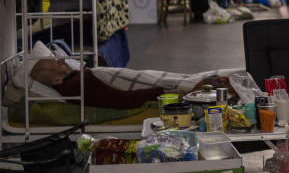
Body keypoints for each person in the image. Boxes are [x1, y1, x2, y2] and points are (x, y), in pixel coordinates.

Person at [29, 58, 236, 109]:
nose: (63, 60)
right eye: (56, 63)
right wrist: (171, 92)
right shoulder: (75, 87)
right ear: (56, 80)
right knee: (227, 78)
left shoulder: (77, 77)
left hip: (137, 78)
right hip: (153, 87)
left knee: (225, 77)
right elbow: (121, 100)